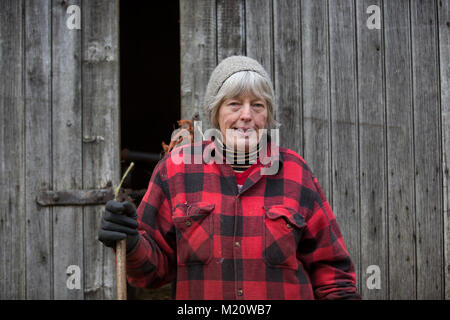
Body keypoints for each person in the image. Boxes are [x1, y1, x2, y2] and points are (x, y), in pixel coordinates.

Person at [98, 55, 361, 300]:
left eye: (257, 105)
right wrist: (131, 242)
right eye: (234, 104)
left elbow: (333, 274)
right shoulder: (177, 170)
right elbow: (149, 273)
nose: (246, 115)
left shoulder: (295, 171)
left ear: (267, 115)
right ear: (216, 112)